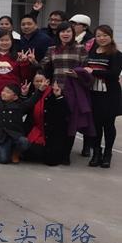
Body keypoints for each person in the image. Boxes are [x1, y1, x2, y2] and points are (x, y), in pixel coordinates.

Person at [37, 21, 92, 161]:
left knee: (70, 122)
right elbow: (43, 66)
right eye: (62, 31)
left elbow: (87, 70)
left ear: (73, 33)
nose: (65, 34)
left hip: (73, 90)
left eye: (68, 31)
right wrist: (32, 61)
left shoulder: (80, 48)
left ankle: (66, 154)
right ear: (58, 34)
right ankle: (57, 150)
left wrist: (77, 75)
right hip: (56, 89)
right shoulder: (52, 49)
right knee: (57, 121)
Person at [0, 78, 42, 164]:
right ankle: (0, 149)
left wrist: (40, 90)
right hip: (0, 137)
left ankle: (16, 152)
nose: (3, 93)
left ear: (15, 97)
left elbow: (31, 101)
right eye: (3, 91)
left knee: (24, 142)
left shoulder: (19, 106)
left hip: (15, 136)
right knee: (3, 159)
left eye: (8, 92)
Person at [84, 25, 122, 168]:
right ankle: (96, 152)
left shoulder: (116, 54)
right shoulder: (91, 52)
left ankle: (107, 154)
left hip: (110, 95)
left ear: (111, 36)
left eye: (105, 35)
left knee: (108, 125)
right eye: (99, 35)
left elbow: (114, 74)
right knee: (96, 125)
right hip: (93, 93)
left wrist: (93, 72)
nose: (102, 38)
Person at [22, 73, 70, 166]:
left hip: (50, 133)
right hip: (34, 130)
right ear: (33, 83)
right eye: (37, 81)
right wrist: (24, 95)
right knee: (27, 151)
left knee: (50, 159)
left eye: (42, 81)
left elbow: (65, 113)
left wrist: (58, 97)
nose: (39, 83)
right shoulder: (32, 94)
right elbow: (21, 111)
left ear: (47, 82)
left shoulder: (54, 92)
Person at [0, 31, 30, 97]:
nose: (4, 43)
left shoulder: (19, 56)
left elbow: (25, 76)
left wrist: (24, 62)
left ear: (12, 42)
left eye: (7, 40)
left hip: (13, 94)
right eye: (1, 40)